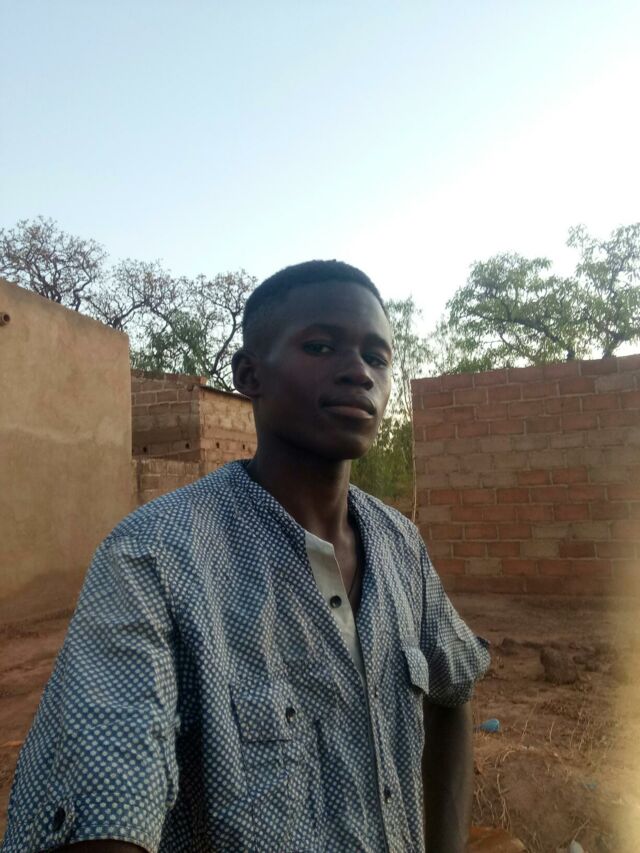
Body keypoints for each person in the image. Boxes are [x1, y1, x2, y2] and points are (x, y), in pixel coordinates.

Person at [2, 260, 490, 853]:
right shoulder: (152, 559)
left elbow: (453, 693)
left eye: (377, 357)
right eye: (320, 346)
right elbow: (107, 813)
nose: (359, 372)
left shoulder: (401, 545)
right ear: (249, 375)